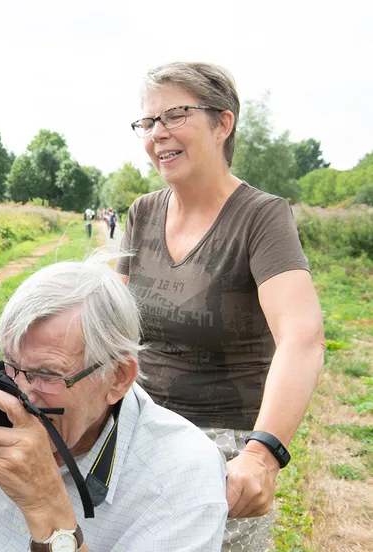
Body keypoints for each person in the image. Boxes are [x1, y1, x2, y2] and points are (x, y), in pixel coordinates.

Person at [0, 255, 229, 552]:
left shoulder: (183, 478)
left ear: (118, 377)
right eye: (12, 366)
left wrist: (45, 504)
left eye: (47, 374)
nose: (22, 396)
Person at [120, 62, 324, 550]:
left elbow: (302, 336)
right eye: (148, 123)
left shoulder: (260, 217)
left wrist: (262, 455)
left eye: (173, 116)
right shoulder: (142, 212)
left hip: (222, 450)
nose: (157, 134)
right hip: (135, 430)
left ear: (223, 123)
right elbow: (111, 325)